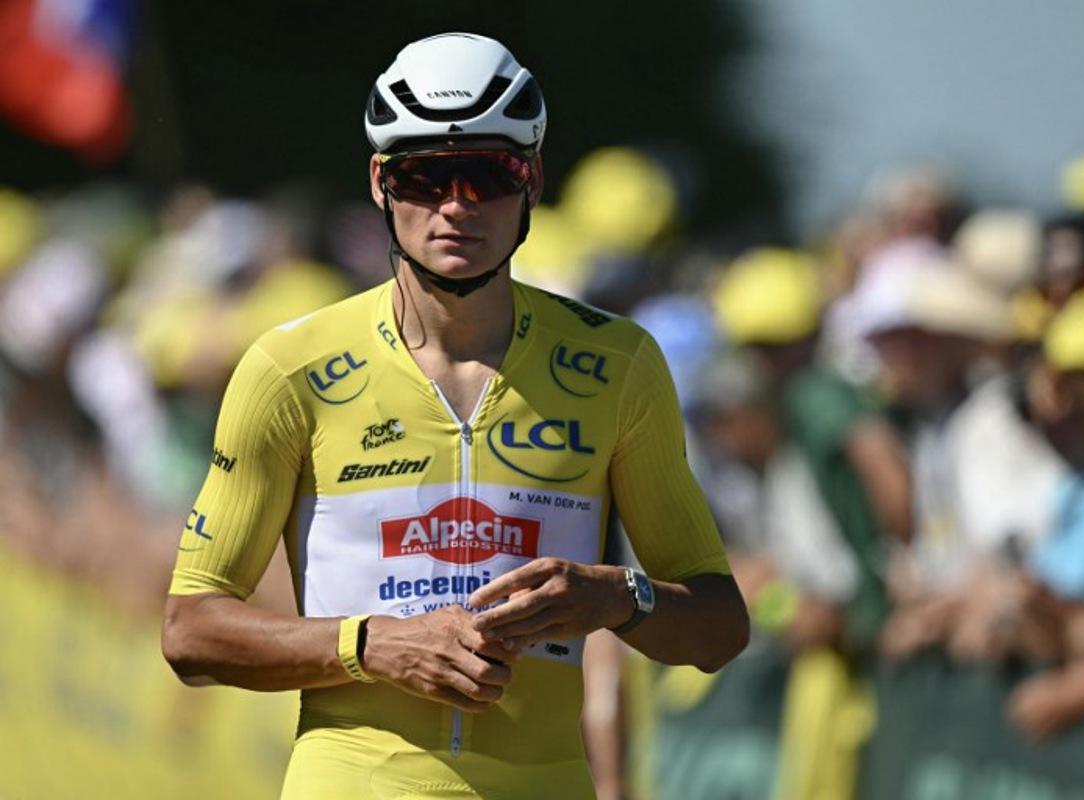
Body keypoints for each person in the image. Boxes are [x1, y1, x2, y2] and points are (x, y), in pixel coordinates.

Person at [159, 32, 748, 799]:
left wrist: (616, 597)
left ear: (533, 180)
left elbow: (720, 628)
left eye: (490, 174)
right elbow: (191, 631)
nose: (457, 204)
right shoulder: (290, 369)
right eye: (426, 176)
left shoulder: (618, 365)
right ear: (381, 182)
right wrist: (372, 646)